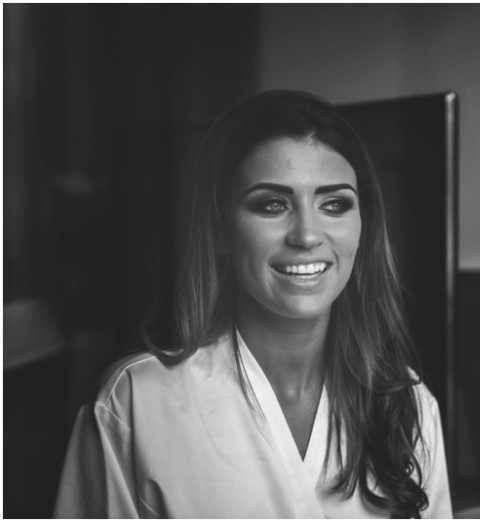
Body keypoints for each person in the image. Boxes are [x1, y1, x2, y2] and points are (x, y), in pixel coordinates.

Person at [53, 90, 452, 518]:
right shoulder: (138, 403)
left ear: (362, 228)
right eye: (272, 204)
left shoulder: (407, 403)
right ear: (220, 230)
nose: (307, 235)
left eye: (334, 204)